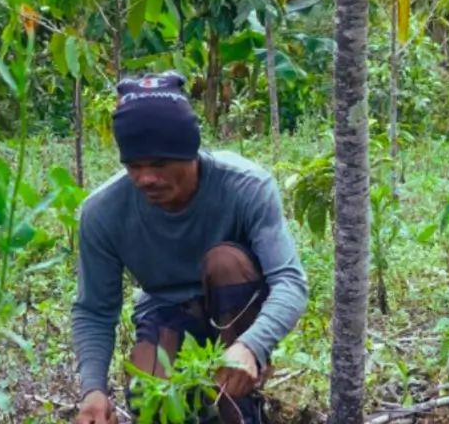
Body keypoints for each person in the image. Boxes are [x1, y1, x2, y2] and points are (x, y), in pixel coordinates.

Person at [72, 72, 309, 424]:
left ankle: (243, 399)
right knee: (150, 398)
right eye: (134, 166)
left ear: (191, 153)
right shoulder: (103, 212)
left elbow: (290, 283)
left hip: (236, 310)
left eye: (160, 164)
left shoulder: (245, 186)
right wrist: (93, 390)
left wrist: (252, 345)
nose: (146, 179)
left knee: (225, 261)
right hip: (167, 311)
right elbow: (94, 310)